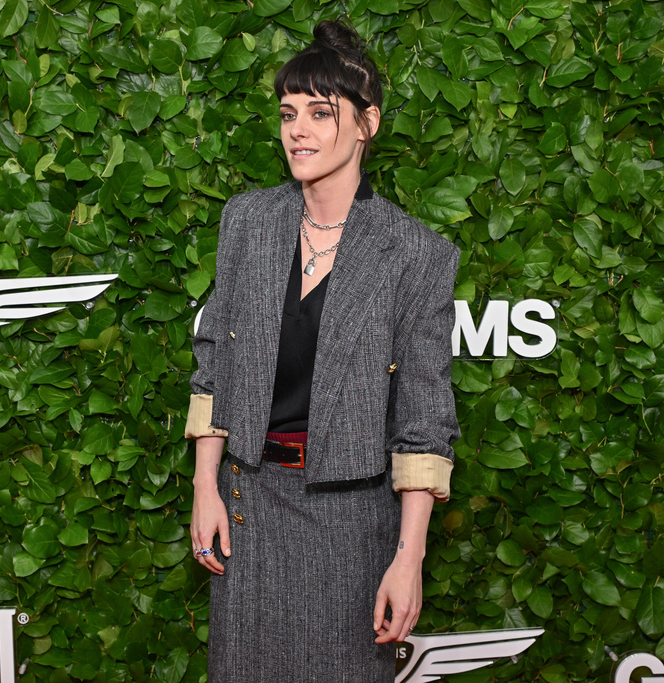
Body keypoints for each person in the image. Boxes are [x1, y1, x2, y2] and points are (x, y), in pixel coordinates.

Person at [185, 19, 460, 683]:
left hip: (350, 528)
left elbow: (423, 419)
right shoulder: (247, 222)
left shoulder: (416, 254)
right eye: (287, 114)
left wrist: (409, 555)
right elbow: (215, 360)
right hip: (247, 511)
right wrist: (204, 485)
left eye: (319, 112)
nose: (297, 131)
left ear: (366, 124)